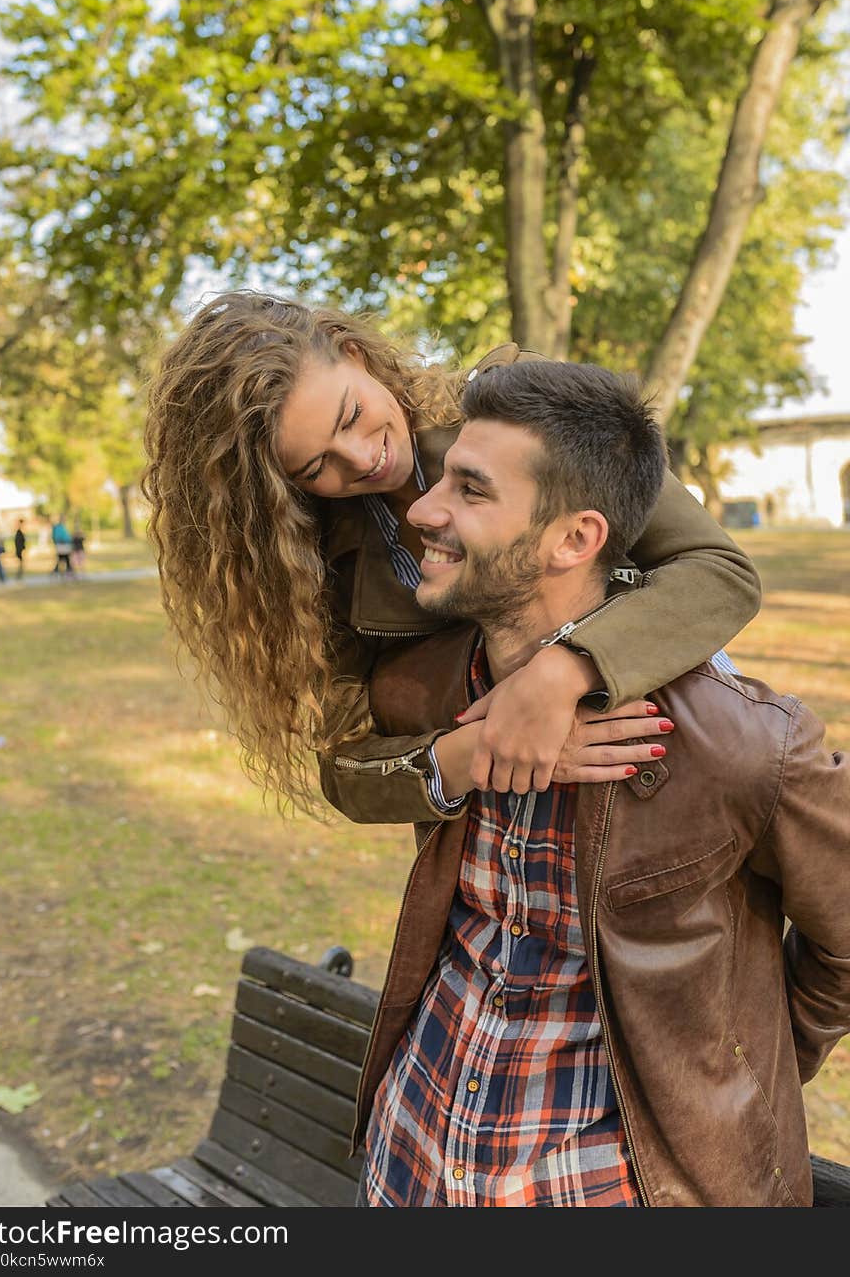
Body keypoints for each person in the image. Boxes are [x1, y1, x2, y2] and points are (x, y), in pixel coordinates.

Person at [351, 360, 850, 1208]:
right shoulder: (425, 692)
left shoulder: (744, 744)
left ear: (575, 540)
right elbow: (342, 771)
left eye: (470, 491)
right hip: (406, 1157)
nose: (423, 510)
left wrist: (727, 1074)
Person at [142, 290, 761, 822]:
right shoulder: (315, 565)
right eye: (315, 466)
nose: (360, 459)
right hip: (492, 841)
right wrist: (487, 747)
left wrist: (563, 673)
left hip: (666, 766)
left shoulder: (515, 407)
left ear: (354, 354)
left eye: (352, 415)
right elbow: (347, 765)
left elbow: (717, 572)